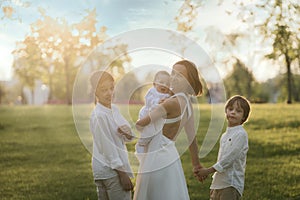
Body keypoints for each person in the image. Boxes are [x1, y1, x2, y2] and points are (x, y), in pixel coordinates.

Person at [133, 60, 205, 200]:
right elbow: (192, 137)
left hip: (156, 157)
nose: (173, 77)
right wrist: (196, 164)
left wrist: (138, 121)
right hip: (170, 156)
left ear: (188, 81)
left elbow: (140, 124)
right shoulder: (188, 104)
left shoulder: (170, 103)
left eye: (179, 75)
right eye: (173, 73)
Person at [195, 95, 251, 200]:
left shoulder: (241, 134)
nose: (233, 112)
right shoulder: (225, 135)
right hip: (218, 182)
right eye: (230, 109)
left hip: (230, 184)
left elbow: (228, 159)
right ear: (226, 111)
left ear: (244, 117)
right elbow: (221, 159)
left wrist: (208, 171)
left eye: (238, 111)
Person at [89, 70, 134, 200]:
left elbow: (127, 136)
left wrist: (127, 132)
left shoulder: (113, 109)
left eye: (111, 88)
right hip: (110, 172)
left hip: (109, 170)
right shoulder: (99, 116)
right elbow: (107, 148)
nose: (109, 93)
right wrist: (123, 174)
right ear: (95, 92)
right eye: (104, 90)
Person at [135, 70, 171, 155]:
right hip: (147, 112)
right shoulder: (152, 91)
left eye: (167, 83)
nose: (164, 85)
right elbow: (148, 101)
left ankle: (149, 146)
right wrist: (158, 102)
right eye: (161, 82)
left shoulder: (167, 95)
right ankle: (142, 143)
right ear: (154, 84)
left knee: (155, 131)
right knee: (148, 129)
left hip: (158, 117)